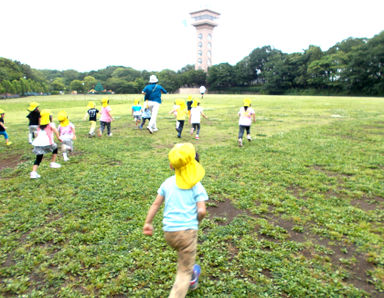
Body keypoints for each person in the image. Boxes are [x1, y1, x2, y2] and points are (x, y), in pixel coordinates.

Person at [143, 143, 208, 297]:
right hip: (187, 232)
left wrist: (148, 223)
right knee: (183, 272)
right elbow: (202, 210)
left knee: (184, 257)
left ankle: (192, 274)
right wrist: (198, 220)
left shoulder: (167, 183)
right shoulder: (196, 185)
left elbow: (156, 204)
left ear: (171, 166)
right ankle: (188, 278)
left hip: (169, 233)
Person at [30, 110, 62, 179]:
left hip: (38, 144)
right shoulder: (51, 124)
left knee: (38, 158)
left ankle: (33, 173)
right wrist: (58, 137)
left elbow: (36, 134)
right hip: (47, 143)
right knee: (55, 148)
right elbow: (55, 130)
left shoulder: (39, 126)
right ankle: (53, 163)